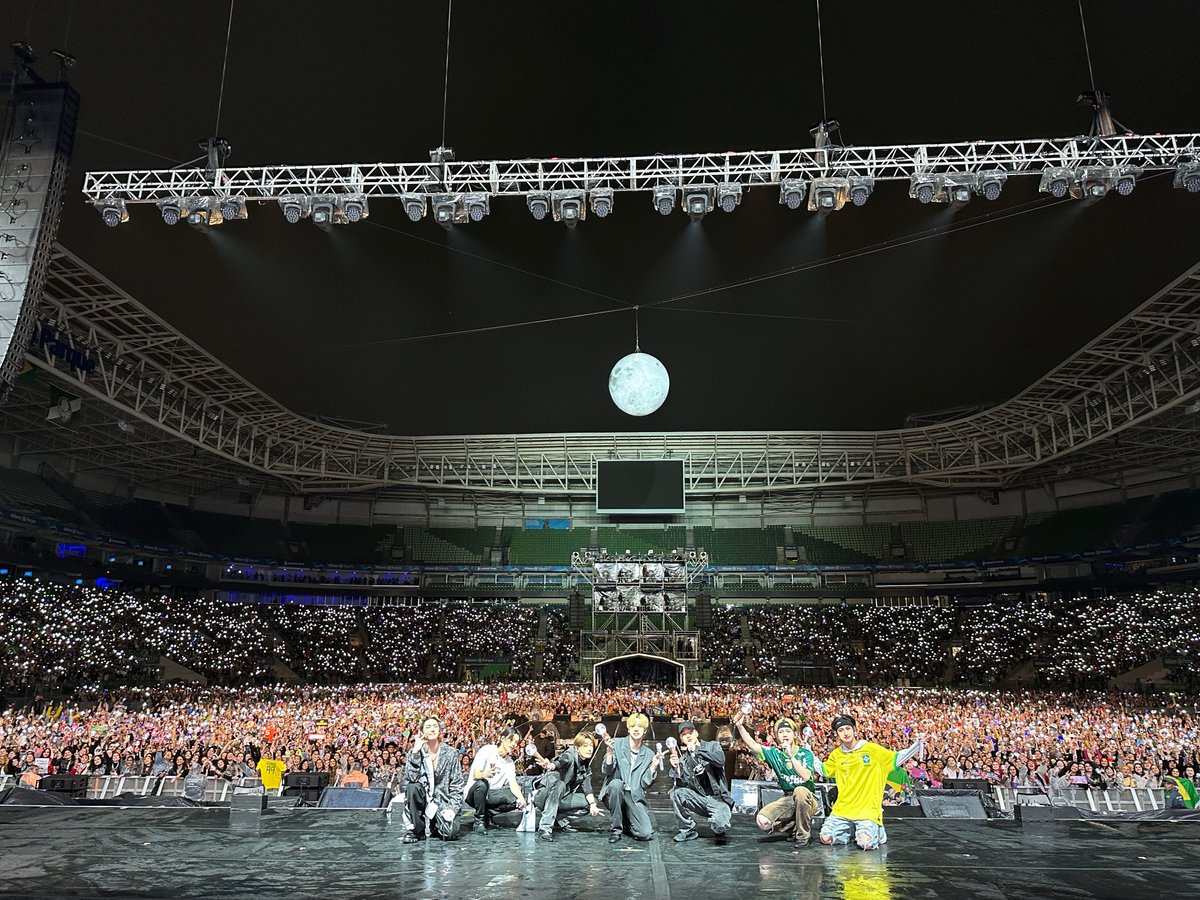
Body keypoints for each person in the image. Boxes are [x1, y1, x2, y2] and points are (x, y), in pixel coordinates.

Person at [819, 714, 924, 851]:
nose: (845, 733)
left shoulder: (872, 749)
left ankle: (877, 831)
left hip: (867, 810)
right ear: (836, 734)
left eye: (848, 728)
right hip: (843, 809)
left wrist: (917, 745)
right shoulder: (836, 755)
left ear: (854, 730)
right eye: (841, 730)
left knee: (866, 844)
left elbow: (898, 758)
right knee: (825, 839)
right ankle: (851, 830)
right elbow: (823, 770)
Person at [733, 713, 822, 845]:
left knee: (800, 791)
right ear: (777, 736)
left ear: (795, 734)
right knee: (763, 821)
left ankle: (803, 835)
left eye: (788, 731)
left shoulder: (805, 753)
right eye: (781, 732)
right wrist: (740, 726)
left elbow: (806, 776)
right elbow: (753, 744)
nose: (785, 734)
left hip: (808, 798)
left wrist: (791, 756)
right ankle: (793, 827)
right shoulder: (775, 753)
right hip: (788, 798)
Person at [600, 713, 664, 843]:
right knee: (616, 784)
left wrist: (653, 766)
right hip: (615, 792)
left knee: (645, 834)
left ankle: (626, 822)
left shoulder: (648, 754)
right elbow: (606, 771)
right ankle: (615, 830)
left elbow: (645, 784)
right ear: (628, 729)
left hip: (633, 796)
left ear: (645, 731)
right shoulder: (616, 743)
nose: (636, 729)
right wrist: (609, 752)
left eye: (639, 726)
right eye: (633, 726)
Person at [401, 716, 466, 844]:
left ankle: (435, 824)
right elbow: (411, 778)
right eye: (428, 727)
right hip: (424, 797)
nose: (432, 729)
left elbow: (457, 785)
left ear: (440, 731)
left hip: (443, 802)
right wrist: (415, 751)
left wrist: (451, 809)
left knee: (450, 833)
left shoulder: (451, 753)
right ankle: (417, 830)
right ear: (421, 731)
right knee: (412, 787)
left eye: (435, 726)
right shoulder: (415, 752)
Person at [668, 722, 734, 845]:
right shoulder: (684, 760)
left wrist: (698, 750)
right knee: (676, 793)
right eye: (684, 734)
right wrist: (676, 767)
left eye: (690, 732)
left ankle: (717, 827)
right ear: (681, 739)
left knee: (721, 824)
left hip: (718, 800)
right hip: (700, 800)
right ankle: (687, 830)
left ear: (697, 733)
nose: (688, 736)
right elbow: (681, 784)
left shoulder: (712, 746)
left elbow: (720, 760)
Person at [532, 732, 602, 843]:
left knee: (590, 803)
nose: (590, 749)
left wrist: (593, 805)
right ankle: (545, 828)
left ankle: (559, 820)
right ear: (577, 748)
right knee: (560, 784)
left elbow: (587, 788)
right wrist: (550, 765)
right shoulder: (569, 756)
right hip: (545, 796)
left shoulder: (585, 767)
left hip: (562, 797)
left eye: (591, 746)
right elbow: (560, 762)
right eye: (585, 746)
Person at [465, 727, 527, 835]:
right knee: (482, 784)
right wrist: (485, 774)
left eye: (516, 742)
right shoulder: (487, 750)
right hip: (475, 792)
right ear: (502, 738)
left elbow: (513, 784)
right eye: (511, 740)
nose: (513, 744)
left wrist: (521, 799)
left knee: (516, 798)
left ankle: (488, 813)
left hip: (492, 794)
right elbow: (475, 775)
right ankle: (479, 821)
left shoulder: (509, 763)